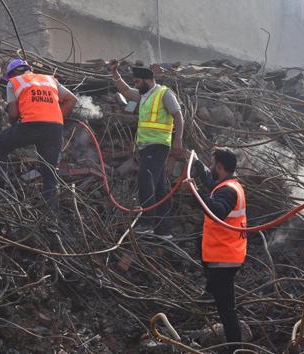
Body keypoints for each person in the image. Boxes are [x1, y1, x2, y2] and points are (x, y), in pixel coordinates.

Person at [108, 60, 184, 237]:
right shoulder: (144, 95)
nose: (135, 84)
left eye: (137, 81)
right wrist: (115, 74)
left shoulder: (164, 94)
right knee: (158, 187)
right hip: (145, 147)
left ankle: (147, 222)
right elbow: (126, 91)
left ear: (147, 80)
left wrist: (178, 140)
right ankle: (163, 230)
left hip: (159, 145)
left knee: (145, 177)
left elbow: (179, 116)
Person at [0, 58, 77, 200]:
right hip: (54, 128)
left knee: (0, 144)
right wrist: (55, 117)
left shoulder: (13, 82)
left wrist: (14, 126)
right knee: (49, 173)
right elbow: (72, 99)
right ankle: (52, 215)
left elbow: (13, 114)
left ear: (12, 74)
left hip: (31, 126)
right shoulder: (51, 80)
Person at [192, 148, 246, 353]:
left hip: (225, 258)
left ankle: (236, 349)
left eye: (212, 163)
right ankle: (209, 288)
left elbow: (218, 212)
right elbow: (210, 180)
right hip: (225, 253)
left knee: (226, 310)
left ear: (221, 167)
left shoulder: (228, 191)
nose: (211, 166)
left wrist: (196, 193)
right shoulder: (228, 183)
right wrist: (197, 163)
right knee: (199, 240)